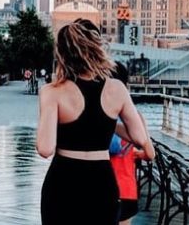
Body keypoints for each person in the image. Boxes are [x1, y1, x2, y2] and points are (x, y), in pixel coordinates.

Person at [37, 19, 154, 225]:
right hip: (101, 182)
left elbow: (45, 148)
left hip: (63, 179)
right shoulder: (117, 88)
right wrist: (104, 124)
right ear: (97, 49)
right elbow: (139, 137)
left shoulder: (52, 92)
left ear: (63, 54)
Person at [109, 62, 153, 225]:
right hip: (126, 189)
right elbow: (150, 154)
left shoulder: (100, 116)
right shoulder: (136, 117)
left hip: (101, 186)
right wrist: (136, 154)